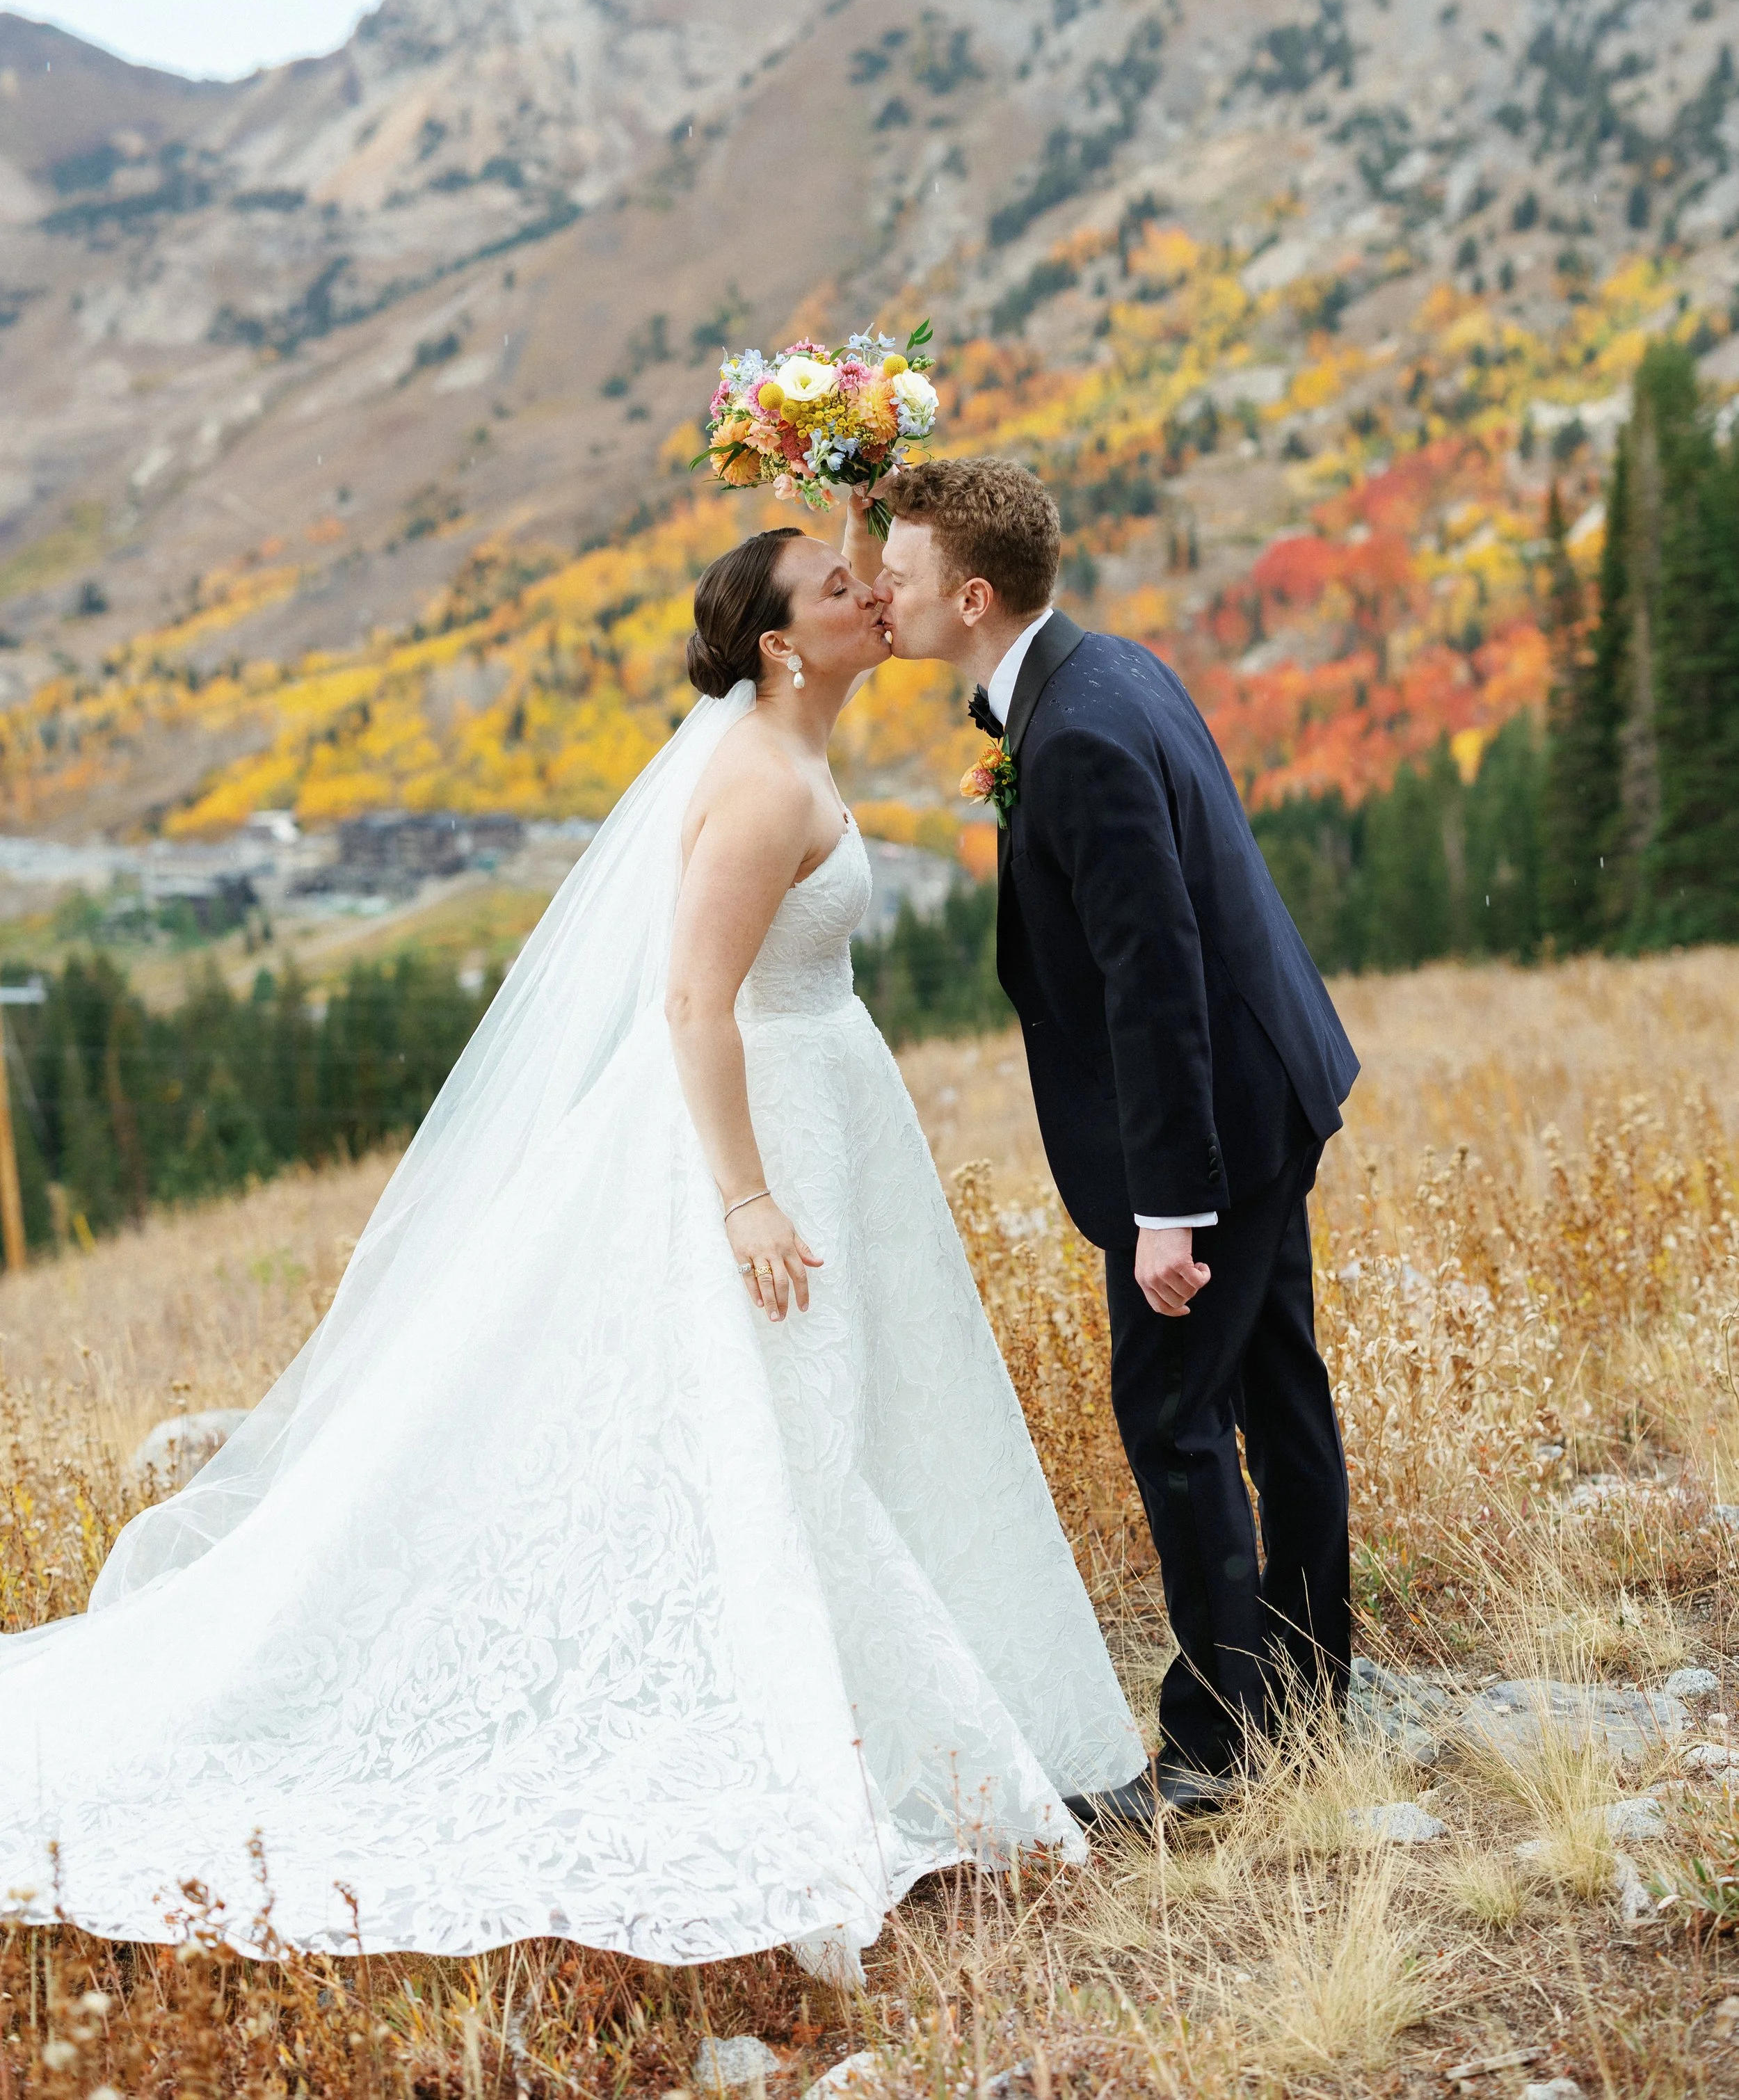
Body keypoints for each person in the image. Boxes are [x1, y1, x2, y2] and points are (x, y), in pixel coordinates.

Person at [0, 523, 1140, 1975]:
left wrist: (846, 444)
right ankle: (841, 1752)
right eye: (841, 588)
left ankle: (897, 1722)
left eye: (872, 577)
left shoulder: (794, 741)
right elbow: (690, 1005)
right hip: (758, 1143)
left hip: (823, 1127)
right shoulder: (753, 779)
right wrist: (743, 1197)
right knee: (791, 1441)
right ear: (782, 645)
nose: (872, 596)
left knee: (842, 1422)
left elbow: (837, 564)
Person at [851, 460, 1359, 1818]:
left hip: (1213, 1128)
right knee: (1277, 1393)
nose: (875, 595)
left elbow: (1154, 980)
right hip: (1271, 1084)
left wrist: (1167, 1211)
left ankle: (1211, 1754)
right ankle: (1306, 1696)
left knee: (1174, 1415)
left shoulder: (1070, 736)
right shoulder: (1099, 670)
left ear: (968, 593)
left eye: (893, 578)